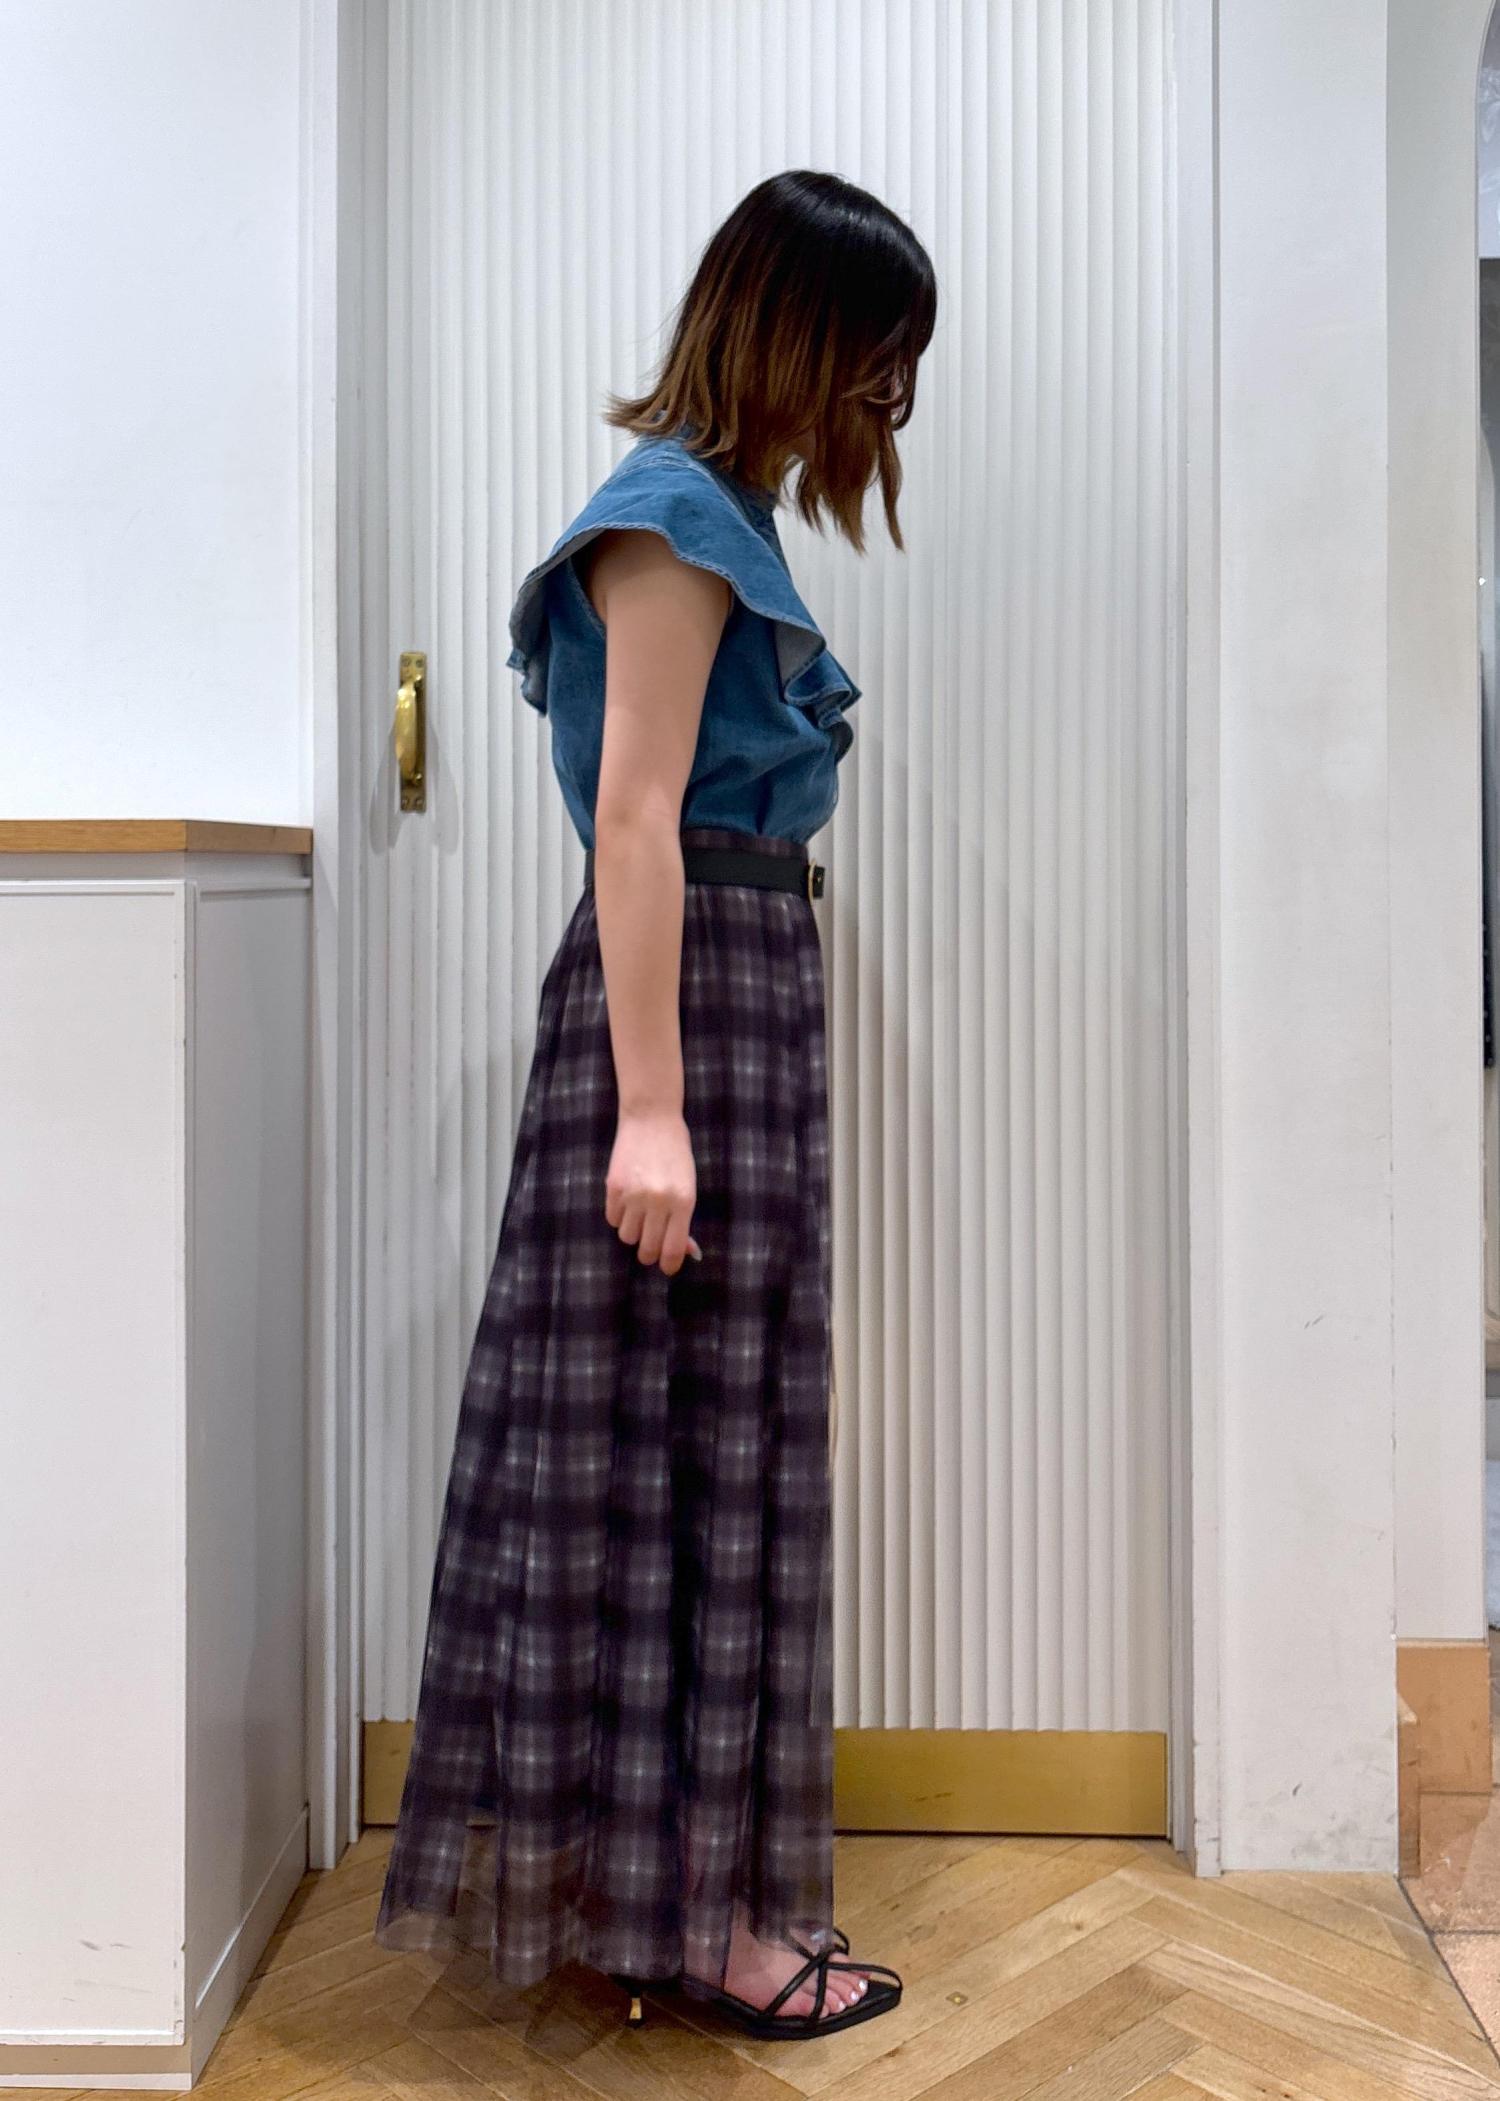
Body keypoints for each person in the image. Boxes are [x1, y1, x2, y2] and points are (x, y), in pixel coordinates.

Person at [374, 168, 937, 2042]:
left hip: (728, 1000)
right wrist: (653, 1110)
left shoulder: (720, 514)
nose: (885, 403)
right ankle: (708, 1926)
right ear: (799, 334)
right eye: (875, 360)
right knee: (690, 1452)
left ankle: (680, 1898)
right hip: (689, 1013)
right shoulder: (676, 522)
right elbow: (635, 818)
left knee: (700, 1445)